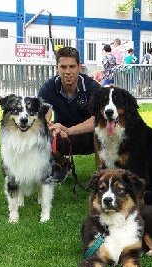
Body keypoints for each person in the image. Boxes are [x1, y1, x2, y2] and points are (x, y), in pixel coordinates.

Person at [37, 46, 102, 181]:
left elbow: (98, 118)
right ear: (57, 68)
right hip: (62, 135)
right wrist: (49, 126)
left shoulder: (92, 87)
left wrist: (69, 130)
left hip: (88, 136)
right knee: (42, 134)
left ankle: (101, 176)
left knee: (102, 129)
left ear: (80, 67)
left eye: (72, 67)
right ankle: (62, 164)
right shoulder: (48, 87)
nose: (68, 72)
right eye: (63, 67)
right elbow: (44, 116)